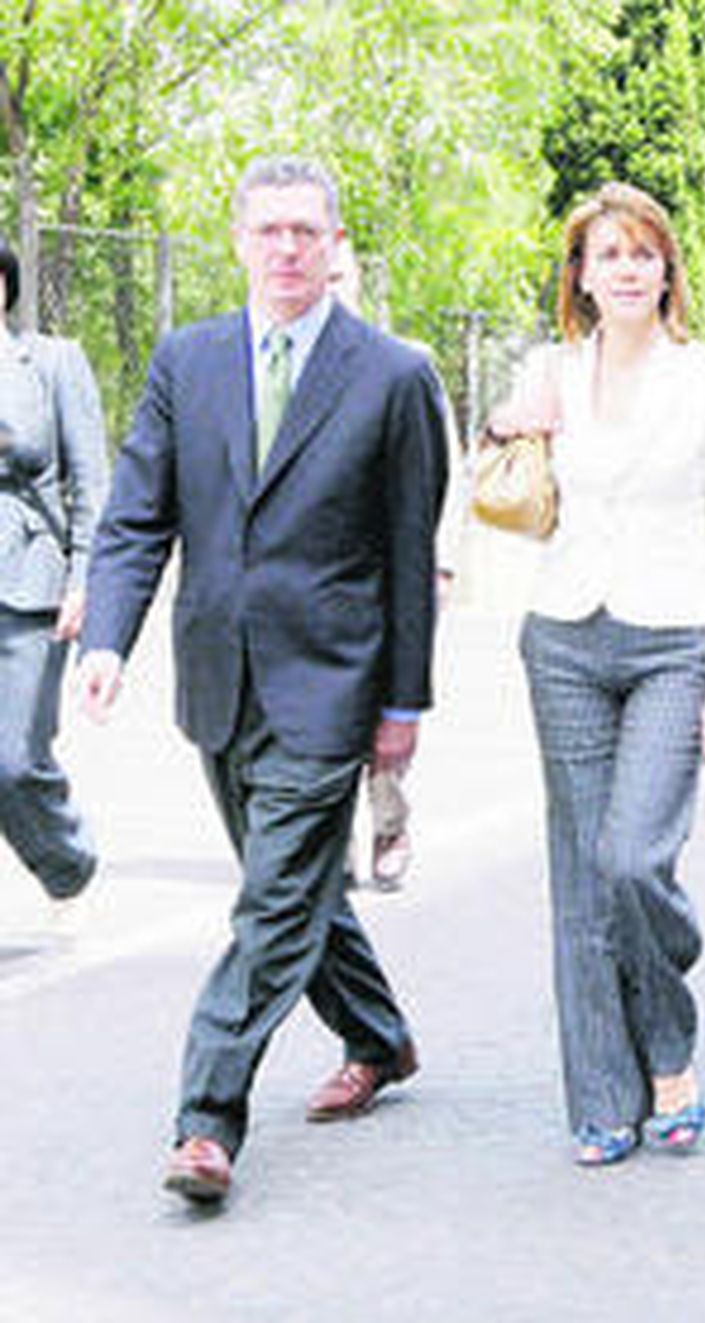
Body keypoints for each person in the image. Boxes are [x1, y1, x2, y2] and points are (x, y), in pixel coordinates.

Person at [78, 157, 449, 1205]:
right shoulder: (185, 361)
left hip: (333, 682)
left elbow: (407, 556)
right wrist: (108, 638)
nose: (287, 249)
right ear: (238, 240)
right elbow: (139, 516)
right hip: (218, 680)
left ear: (335, 246)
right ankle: (379, 1035)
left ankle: (206, 1121)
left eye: (306, 233)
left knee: (273, 905)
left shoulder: (391, 375)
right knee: (297, 893)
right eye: (269, 231)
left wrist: (402, 704)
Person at [485, 182, 705, 1168]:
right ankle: (605, 1096)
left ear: (666, 269)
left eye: (644, 253)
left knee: (633, 861)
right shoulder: (549, 368)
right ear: (582, 276)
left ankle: (670, 1049)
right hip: (563, 635)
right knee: (581, 880)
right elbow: (502, 493)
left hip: (671, 641)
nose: (628, 269)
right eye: (609, 255)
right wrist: (505, 421)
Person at [327, 236, 466, 890]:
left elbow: (449, 472)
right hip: (329, 580)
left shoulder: (406, 365)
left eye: (340, 277)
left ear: (356, 278)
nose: (330, 289)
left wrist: (444, 563)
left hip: (402, 574)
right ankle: (331, 840)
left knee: (389, 706)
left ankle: (388, 820)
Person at [0, 234, 108, 913]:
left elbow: (91, 480)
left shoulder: (51, 361)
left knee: (13, 761)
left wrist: (85, 577)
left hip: (29, 588)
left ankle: (67, 860)